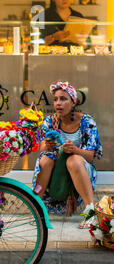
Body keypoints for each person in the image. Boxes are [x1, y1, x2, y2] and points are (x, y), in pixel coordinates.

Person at [32, 81, 102, 227]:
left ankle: (91, 213)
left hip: (79, 169)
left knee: (74, 160)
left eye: (63, 99)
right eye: (56, 99)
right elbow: (42, 147)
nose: (58, 103)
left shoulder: (87, 122)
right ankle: (37, 210)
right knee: (45, 159)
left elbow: (90, 155)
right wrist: (48, 145)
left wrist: (75, 150)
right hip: (56, 169)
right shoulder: (49, 121)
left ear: (73, 102)